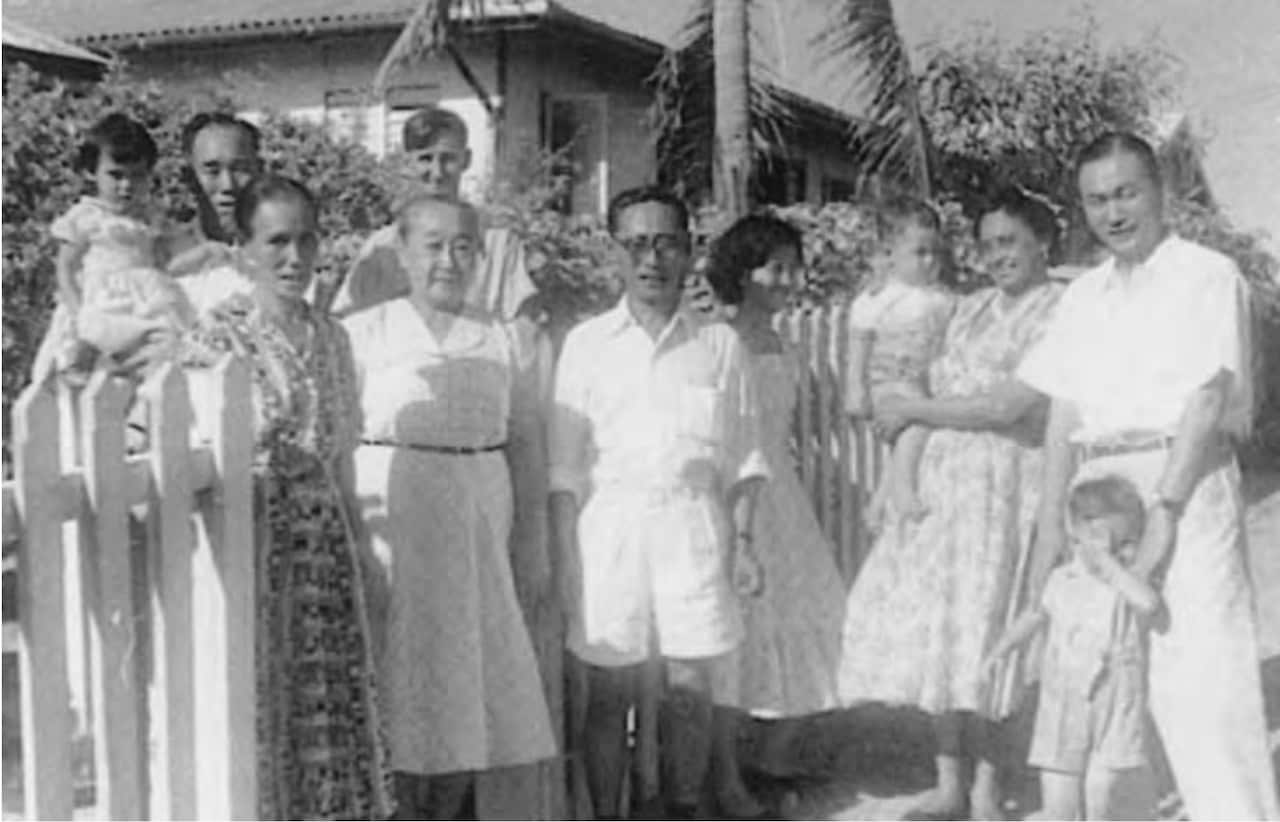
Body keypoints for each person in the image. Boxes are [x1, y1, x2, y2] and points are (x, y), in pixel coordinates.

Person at [1018, 131, 1279, 820]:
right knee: (1110, 687)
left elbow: (1208, 399)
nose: (1113, 212)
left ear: (1160, 191)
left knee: (1203, 677)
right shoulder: (1080, 297)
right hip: (1099, 494)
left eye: (1127, 193)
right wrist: (1051, 533)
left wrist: (1165, 508)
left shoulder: (1207, 274)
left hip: (1181, 480)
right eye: (1097, 199)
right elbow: (1061, 416)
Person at [834, 188, 1064, 820]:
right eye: (987, 244)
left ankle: (989, 789)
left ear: (1042, 240)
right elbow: (911, 378)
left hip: (1007, 482)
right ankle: (948, 784)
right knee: (946, 628)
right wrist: (897, 466)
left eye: (1009, 242)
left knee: (990, 629)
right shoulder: (967, 308)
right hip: (943, 484)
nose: (996, 257)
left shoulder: (1059, 310)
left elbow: (1009, 405)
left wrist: (916, 409)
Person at [549, 187, 769, 819]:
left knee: (690, 692)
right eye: (637, 244)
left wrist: (745, 544)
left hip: (692, 526)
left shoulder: (720, 345)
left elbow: (746, 461)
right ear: (617, 252)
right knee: (607, 693)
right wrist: (567, 562)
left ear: (689, 249)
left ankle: (682, 809)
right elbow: (563, 471)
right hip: (610, 531)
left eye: (666, 242)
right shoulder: (587, 344)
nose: (652, 259)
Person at [180, 175, 392, 820]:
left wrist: (363, 548)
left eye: (305, 240)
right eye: (275, 241)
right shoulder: (217, 338)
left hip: (326, 551)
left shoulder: (333, 336)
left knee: (332, 702)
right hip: (249, 549)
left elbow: (342, 457)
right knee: (258, 705)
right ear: (242, 249)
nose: (293, 258)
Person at [344, 195, 557, 820]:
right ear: (402, 252)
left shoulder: (502, 337)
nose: (449, 260)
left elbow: (525, 440)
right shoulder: (363, 332)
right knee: (402, 678)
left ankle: (448, 811)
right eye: (433, 245)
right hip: (396, 518)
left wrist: (534, 540)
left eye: (464, 246)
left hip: (479, 523)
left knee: (469, 677)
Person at [703, 214, 848, 812]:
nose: (789, 279)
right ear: (744, 272)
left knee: (817, 612)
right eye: (775, 267)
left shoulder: (787, 345)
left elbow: (814, 423)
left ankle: (772, 757)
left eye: (794, 266)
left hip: (784, 498)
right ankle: (724, 770)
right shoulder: (717, 339)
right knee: (735, 631)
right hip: (735, 497)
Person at [983, 475, 1159, 820]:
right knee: (1058, 791)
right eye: (1109, 543)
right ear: (1077, 538)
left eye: (1129, 542)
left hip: (1116, 698)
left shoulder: (1126, 583)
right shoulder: (1062, 580)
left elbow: (1149, 604)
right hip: (1062, 697)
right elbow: (1033, 617)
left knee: (1101, 790)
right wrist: (999, 652)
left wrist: (1110, 565)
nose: (1124, 552)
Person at [328, 105, 536, 321]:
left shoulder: (498, 244)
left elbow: (523, 329)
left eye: (448, 159)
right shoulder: (382, 246)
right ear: (408, 163)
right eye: (425, 159)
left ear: (466, 160)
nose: (437, 173)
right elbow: (349, 321)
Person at [33, 113, 194, 384]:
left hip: (143, 301)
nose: (126, 186)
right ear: (91, 172)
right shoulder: (87, 216)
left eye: (137, 176)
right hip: (100, 301)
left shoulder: (148, 218)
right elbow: (66, 268)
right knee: (92, 363)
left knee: (157, 351)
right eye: (115, 176)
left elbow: (165, 261)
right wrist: (79, 313)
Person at [844, 199, 956, 526]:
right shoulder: (880, 296)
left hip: (925, 382)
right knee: (917, 425)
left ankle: (880, 502)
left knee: (910, 435)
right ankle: (904, 489)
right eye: (920, 253)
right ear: (890, 254)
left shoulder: (942, 297)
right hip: (888, 380)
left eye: (936, 253)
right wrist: (856, 390)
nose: (930, 261)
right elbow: (859, 341)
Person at [170, 112, 264, 314]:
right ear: (189, 177)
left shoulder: (280, 260)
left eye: (240, 169)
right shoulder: (161, 257)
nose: (228, 185)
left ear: (260, 172)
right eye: (212, 171)